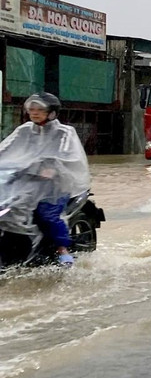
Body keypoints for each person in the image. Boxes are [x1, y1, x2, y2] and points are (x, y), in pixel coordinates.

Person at [0, 93, 89, 264]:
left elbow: (67, 155)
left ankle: (62, 249)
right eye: (32, 109)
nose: (35, 113)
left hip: (53, 185)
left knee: (47, 216)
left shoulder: (64, 132)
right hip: (24, 181)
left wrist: (52, 167)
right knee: (7, 207)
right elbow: (6, 149)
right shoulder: (24, 130)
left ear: (52, 112)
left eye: (40, 109)